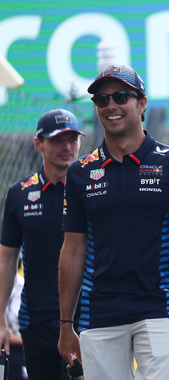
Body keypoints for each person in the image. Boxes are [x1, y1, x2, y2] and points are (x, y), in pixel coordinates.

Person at [57, 64, 169, 380]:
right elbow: (72, 250)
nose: (111, 105)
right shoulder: (80, 172)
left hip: (158, 307)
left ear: (141, 104)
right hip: (98, 311)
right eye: (101, 99)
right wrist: (66, 324)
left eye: (121, 96)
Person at [0, 109, 84, 380]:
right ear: (38, 143)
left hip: (88, 316)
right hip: (36, 319)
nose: (67, 147)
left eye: (72, 139)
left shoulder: (94, 189)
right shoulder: (19, 193)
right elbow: (6, 260)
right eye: (58, 139)